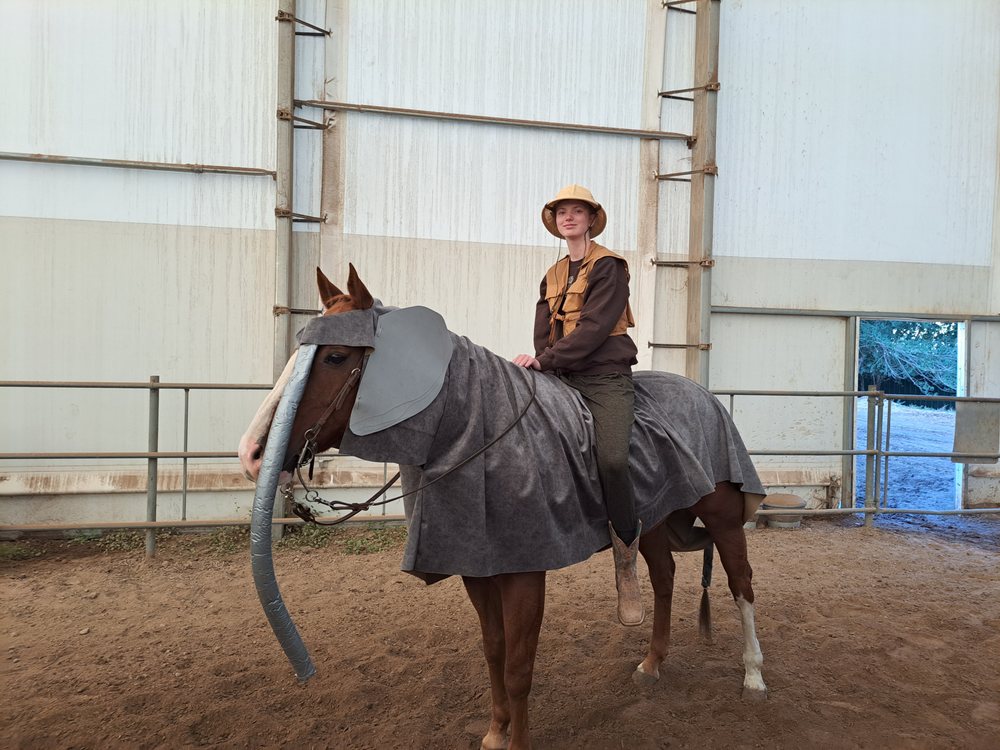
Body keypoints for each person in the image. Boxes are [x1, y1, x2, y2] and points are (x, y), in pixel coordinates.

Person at [512, 184, 644, 626]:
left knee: (611, 459)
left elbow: (593, 330)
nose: (569, 217)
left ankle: (627, 561)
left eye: (577, 211)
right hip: (563, 374)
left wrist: (546, 362)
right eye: (562, 212)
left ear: (591, 219)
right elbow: (541, 332)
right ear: (556, 222)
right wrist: (540, 364)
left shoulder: (609, 267)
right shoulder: (551, 274)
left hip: (605, 376)